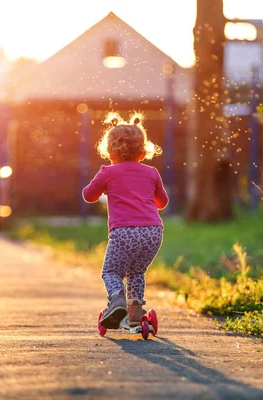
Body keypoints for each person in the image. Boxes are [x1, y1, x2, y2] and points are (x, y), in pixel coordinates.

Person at [82, 113, 168, 329]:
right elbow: (162, 202)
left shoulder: (108, 172)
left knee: (111, 272)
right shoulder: (151, 172)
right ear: (142, 150)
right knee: (136, 273)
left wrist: (103, 181)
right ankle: (135, 316)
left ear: (110, 150)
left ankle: (117, 300)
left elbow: (89, 196)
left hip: (124, 233)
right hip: (153, 232)